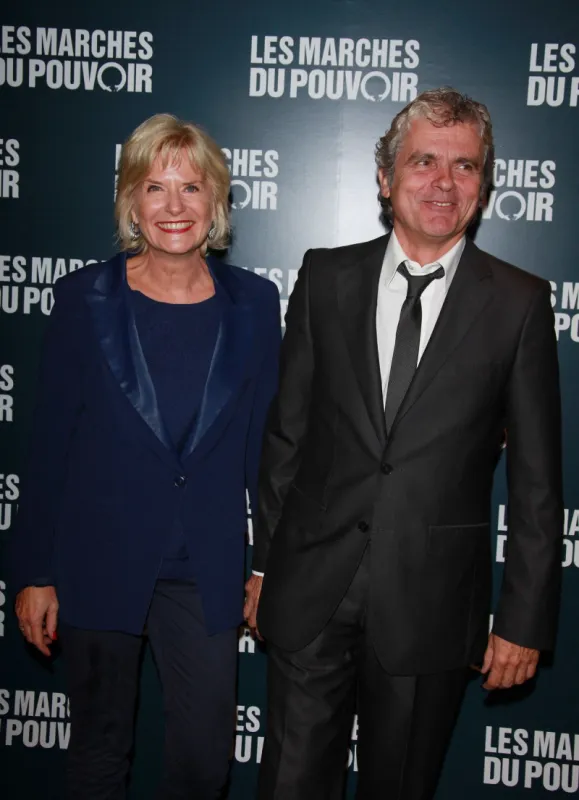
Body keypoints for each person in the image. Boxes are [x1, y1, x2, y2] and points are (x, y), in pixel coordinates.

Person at [244, 88, 563, 800]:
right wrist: (263, 565)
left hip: (433, 606)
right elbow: (287, 433)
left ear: (483, 185)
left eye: (464, 166)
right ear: (384, 179)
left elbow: (539, 483)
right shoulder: (325, 276)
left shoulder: (517, 303)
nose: (442, 183)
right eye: (423, 161)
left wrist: (522, 621)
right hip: (310, 592)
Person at [11, 113, 281, 799]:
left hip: (205, 569)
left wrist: (267, 564)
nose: (173, 207)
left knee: (202, 764)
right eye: (155, 187)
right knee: (99, 755)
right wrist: (34, 572)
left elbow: (264, 449)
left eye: (191, 188)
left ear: (215, 201)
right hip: (99, 559)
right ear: (131, 200)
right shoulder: (84, 299)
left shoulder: (254, 303)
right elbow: (49, 445)